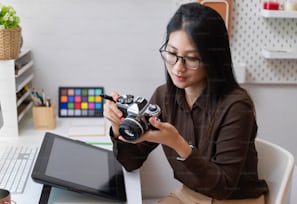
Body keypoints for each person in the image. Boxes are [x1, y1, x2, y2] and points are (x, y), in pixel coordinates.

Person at [103, 2, 268, 204]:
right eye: (172, 54)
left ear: (212, 59)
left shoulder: (236, 107)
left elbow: (223, 187)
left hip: (234, 200)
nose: (178, 68)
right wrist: (118, 127)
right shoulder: (164, 96)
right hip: (189, 195)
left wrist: (177, 143)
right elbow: (131, 162)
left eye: (191, 59)